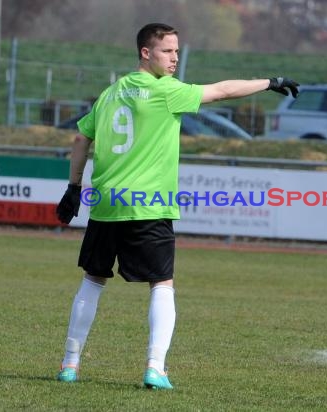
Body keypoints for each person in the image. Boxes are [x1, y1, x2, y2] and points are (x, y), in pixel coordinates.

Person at [55, 22, 299, 389]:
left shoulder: (110, 93)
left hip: (107, 203)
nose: (174, 58)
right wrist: (270, 82)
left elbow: (79, 138)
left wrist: (73, 187)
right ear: (145, 52)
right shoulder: (165, 91)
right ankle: (155, 367)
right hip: (148, 205)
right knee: (162, 284)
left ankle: (70, 365)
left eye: (177, 51)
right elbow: (222, 91)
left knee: (93, 279)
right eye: (168, 51)